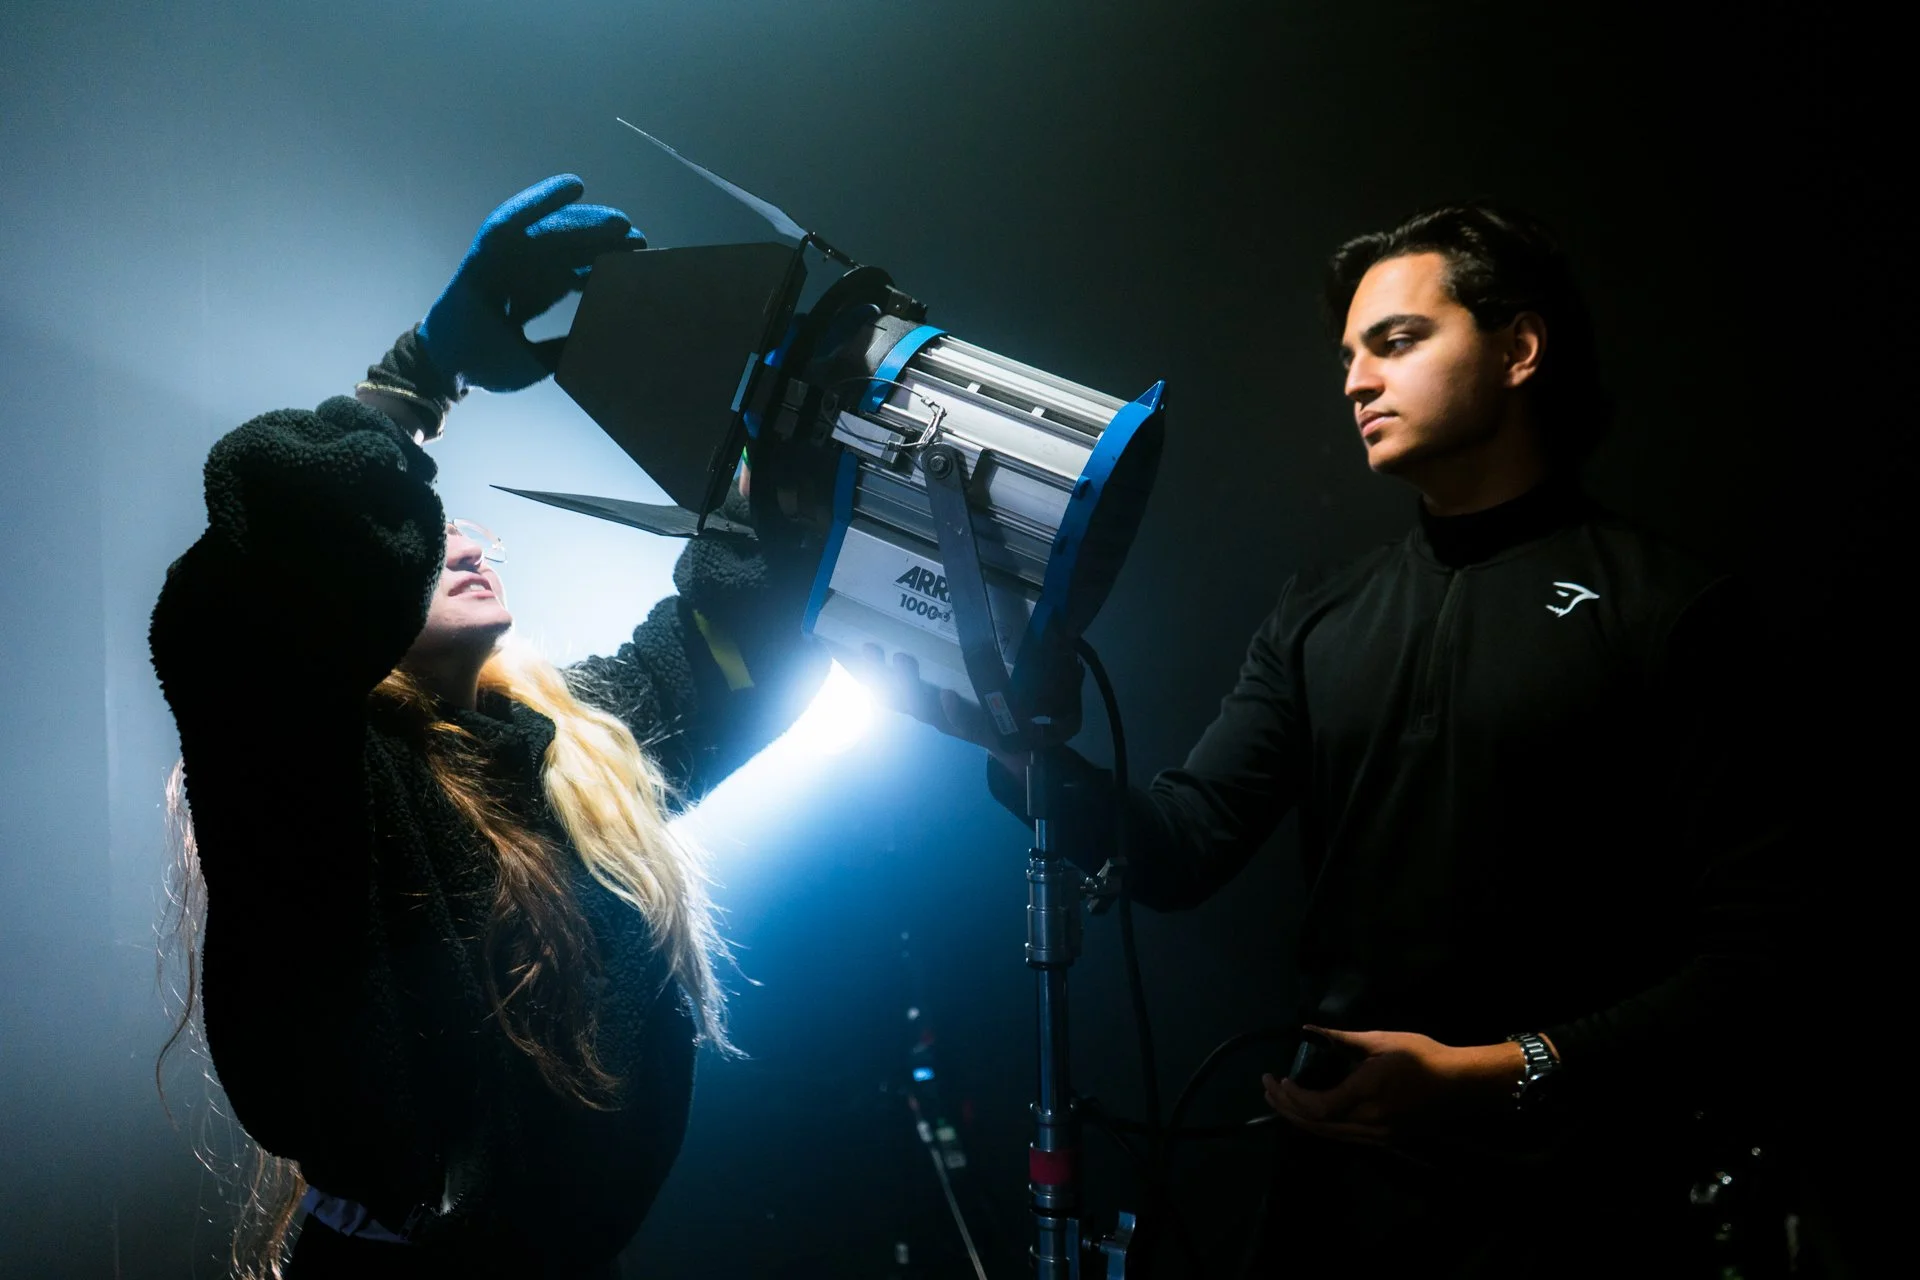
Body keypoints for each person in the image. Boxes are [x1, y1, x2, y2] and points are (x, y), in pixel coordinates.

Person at [889, 204, 1795, 1276]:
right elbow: (1184, 841)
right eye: (1350, 354)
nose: (1358, 379)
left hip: (1581, 1204)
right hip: (1339, 1204)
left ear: (1520, 349)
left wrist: (1499, 1067)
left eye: (1398, 340)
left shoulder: (1670, 611)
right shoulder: (1324, 612)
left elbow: (1761, 954)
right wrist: (1020, 746)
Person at [150, 175, 825, 1279]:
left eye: (466, 524)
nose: (462, 534)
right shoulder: (310, 776)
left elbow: (733, 629)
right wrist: (421, 374)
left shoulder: (570, 739)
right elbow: (246, 599)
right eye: (429, 525)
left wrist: (785, 426)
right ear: (356, 589)